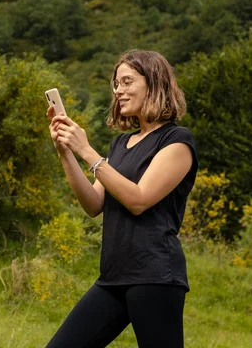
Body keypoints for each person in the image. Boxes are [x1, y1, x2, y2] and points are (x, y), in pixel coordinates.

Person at [45, 50, 198, 348]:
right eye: (116, 84)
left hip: (155, 276)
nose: (118, 90)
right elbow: (93, 204)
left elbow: (139, 200)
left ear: (154, 83)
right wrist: (66, 151)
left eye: (127, 81)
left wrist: (88, 151)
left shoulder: (177, 141)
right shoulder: (121, 144)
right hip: (113, 276)